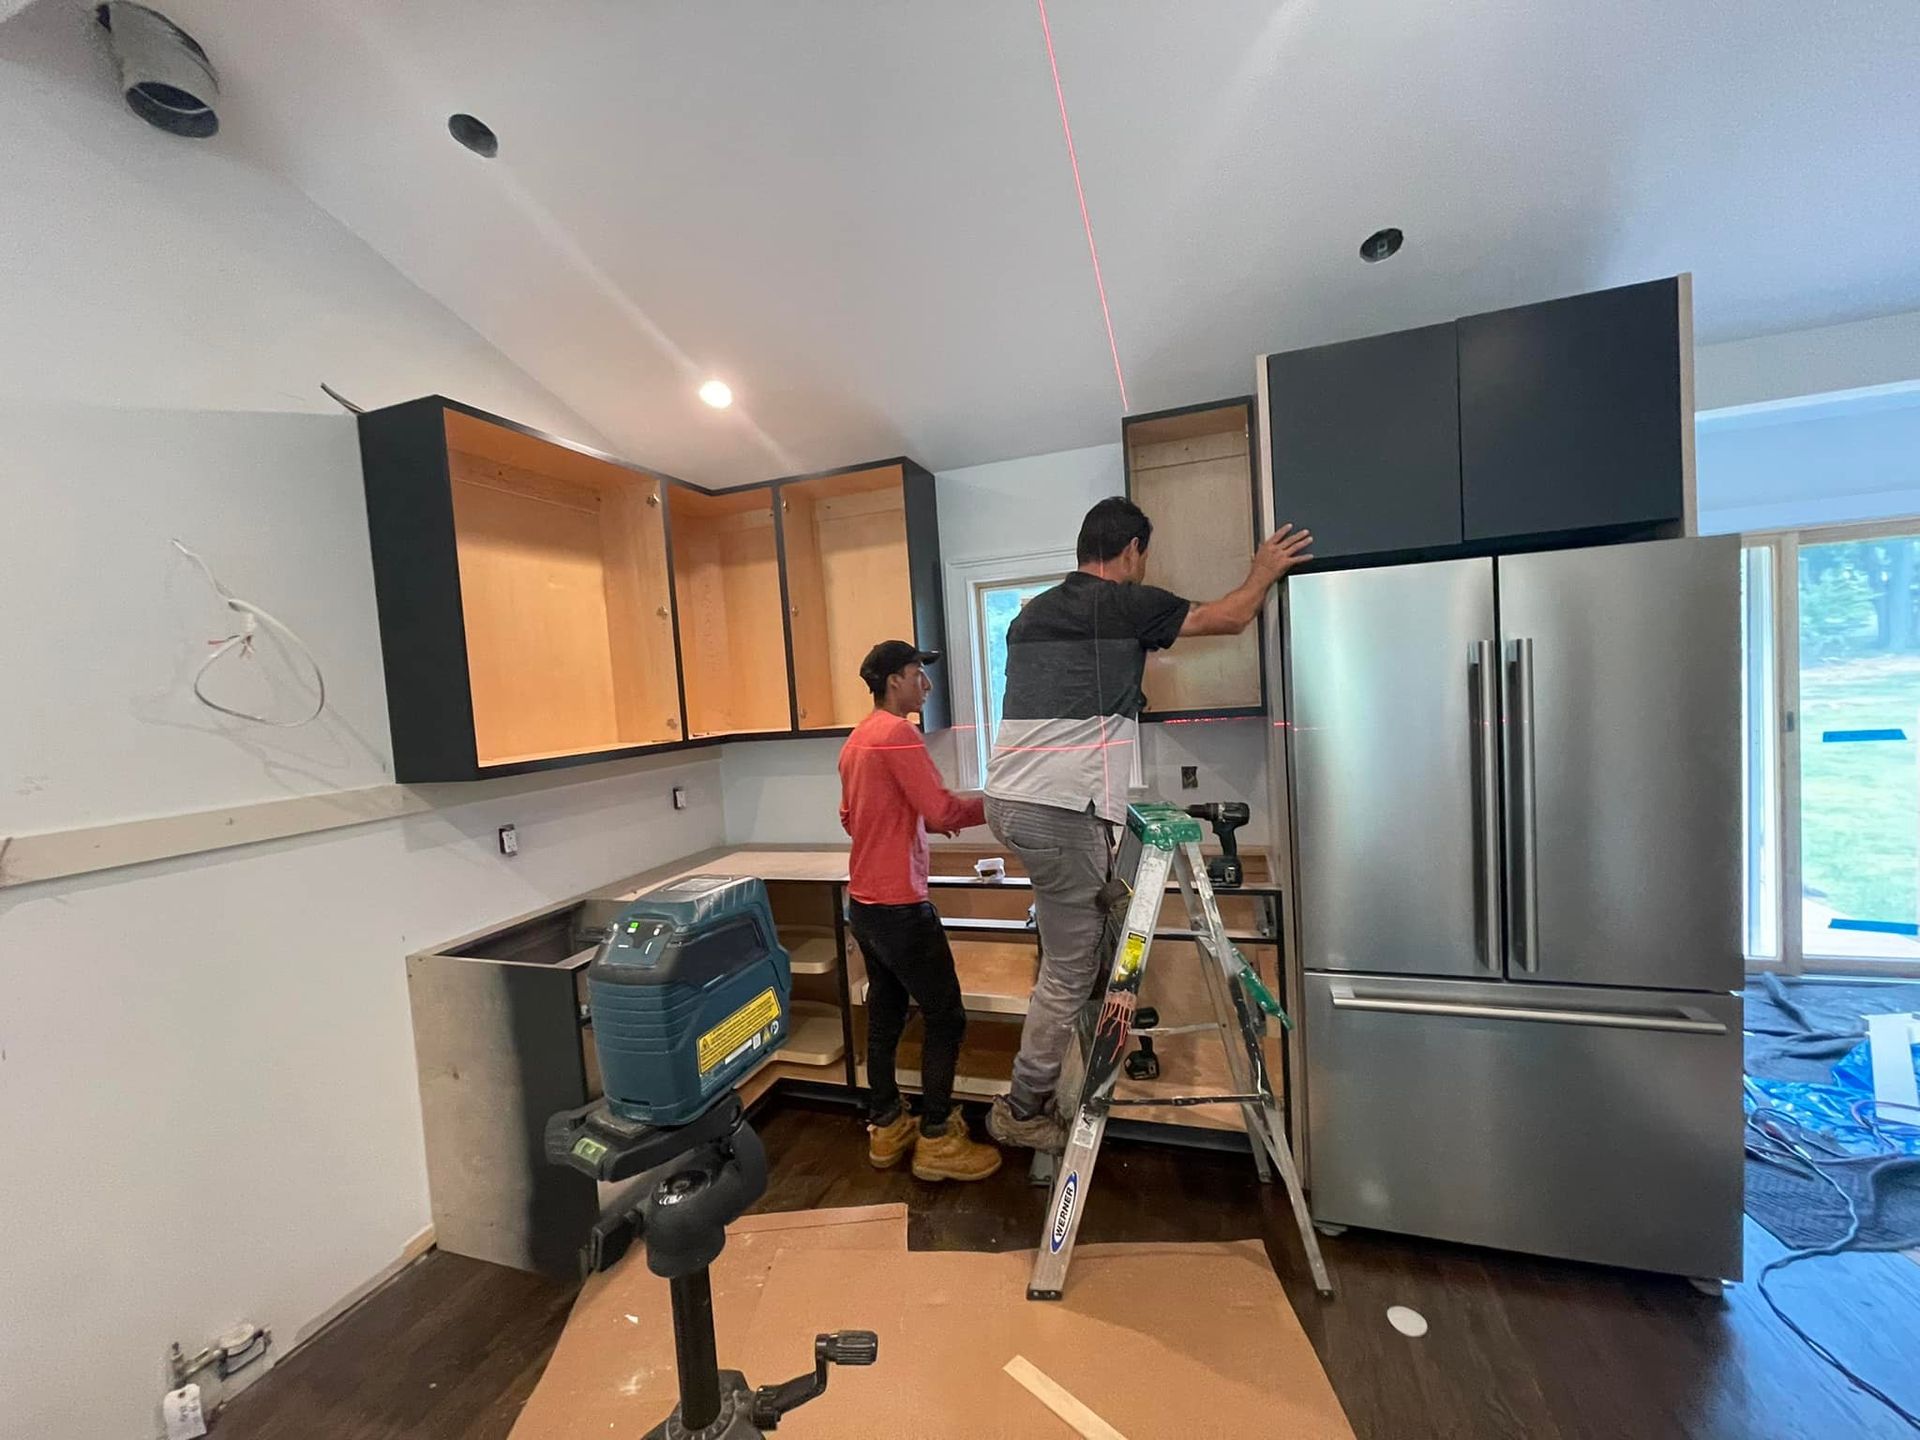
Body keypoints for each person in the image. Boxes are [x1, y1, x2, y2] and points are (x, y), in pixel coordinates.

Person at [982, 498, 1313, 1150]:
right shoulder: (1126, 605)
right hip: (1060, 811)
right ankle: (1022, 1108)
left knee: (1078, 938)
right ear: (1132, 549)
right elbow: (1230, 616)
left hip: (1007, 803)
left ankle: (1080, 1048)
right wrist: (1263, 569)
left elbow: (1069, 687)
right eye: (1144, 555)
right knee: (1070, 970)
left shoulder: (1029, 615)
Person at [838, 640, 1002, 1182]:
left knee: (886, 1013)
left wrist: (923, 820)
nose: (926, 685)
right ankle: (936, 1137)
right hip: (901, 907)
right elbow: (942, 809)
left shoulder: (858, 739)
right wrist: (1003, 803)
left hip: (865, 904)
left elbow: (854, 817)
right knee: (945, 1016)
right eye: (917, 674)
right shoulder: (898, 734)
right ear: (894, 681)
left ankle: (887, 1124)